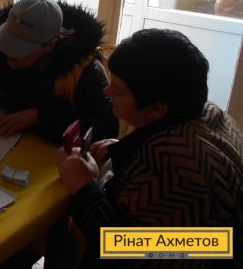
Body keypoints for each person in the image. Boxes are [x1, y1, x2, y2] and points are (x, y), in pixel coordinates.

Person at [58, 29, 243, 267]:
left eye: (118, 90)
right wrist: (128, 149)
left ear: (156, 109)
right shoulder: (209, 113)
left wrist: (84, 187)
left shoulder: (173, 166)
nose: (106, 91)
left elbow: (133, 252)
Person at [0, 0, 118, 143]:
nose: (8, 50)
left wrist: (39, 116)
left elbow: (107, 127)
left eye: (21, 46)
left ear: (50, 44)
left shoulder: (83, 68)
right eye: (8, 39)